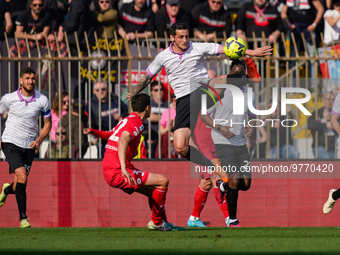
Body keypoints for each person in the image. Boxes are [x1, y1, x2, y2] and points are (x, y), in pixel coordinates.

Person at [131, 22, 272, 192]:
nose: (185, 40)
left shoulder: (197, 47)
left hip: (204, 90)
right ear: (172, 38)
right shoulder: (163, 56)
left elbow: (227, 49)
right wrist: (134, 92)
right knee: (180, 146)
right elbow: (148, 76)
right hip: (184, 100)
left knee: (215, 78)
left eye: (186, 36)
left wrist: (253, 52)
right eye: (181, 37)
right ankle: (214, 168)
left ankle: (246, 77)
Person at [83, 94, 183, 231]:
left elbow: (110, 134)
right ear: (147, 108)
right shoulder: (137, 123)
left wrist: (93, 131)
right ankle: (157, 223)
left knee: (153, 191)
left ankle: (163, 223)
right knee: (163, 181)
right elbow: (123, 140)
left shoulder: (126, 120)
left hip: (110, 168)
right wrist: (124, 169)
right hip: (118, 170)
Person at [188, 60, 254, 227]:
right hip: (222, 140)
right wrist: (220, 128)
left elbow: (247, 114)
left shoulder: (248, 92)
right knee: (233, 178)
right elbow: (204, 115)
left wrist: (248, 126)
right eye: (234, 74)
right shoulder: (220, 92)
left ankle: (223, 188)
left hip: (240, 142)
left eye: (241, 74)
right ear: (229, 75)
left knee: (245, 184)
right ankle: (232, 219)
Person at [0, 66, 52, 228]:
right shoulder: (9, 99)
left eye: (33, 78)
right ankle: (23, 219)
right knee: (22, 176)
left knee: (19, 185)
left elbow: (47, 124)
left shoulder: (42, 100)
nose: (30, 81)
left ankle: (6, 190)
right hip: (10, 143)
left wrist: (39, 139)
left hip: (29, 146)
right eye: (27, 79)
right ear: (21, 80)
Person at [84, 79, 128, 158]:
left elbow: (126, 110)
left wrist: (121, 117)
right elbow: (86, 120)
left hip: (117, 137)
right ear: (94, 91)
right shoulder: (91, 104)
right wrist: (92, 136)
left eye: (103, 89)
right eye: (98, 90)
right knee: (104, 161)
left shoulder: (114, 99)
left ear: (107, 89)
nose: (101, 91)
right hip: (102, 139)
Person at [308, 92, 336, 159]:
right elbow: (310, 124)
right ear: (324, 100)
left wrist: (330, 119)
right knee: (326, 159)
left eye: (332, 100)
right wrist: (325, 125)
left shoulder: (336, 115)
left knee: (333, 166)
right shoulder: (318, 113)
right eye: (328, 99)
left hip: (332, 148)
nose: (330, 102)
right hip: (319, 146)